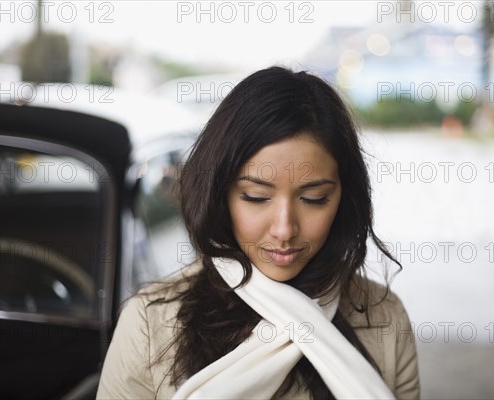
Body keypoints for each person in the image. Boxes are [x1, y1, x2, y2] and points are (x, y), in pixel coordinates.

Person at [97, 66, 420, 399]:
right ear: (219, 193)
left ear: (343, 197)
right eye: (256, 197)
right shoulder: (151, 324)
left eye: (314, 199)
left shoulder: (383, 319)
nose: (284, 229)